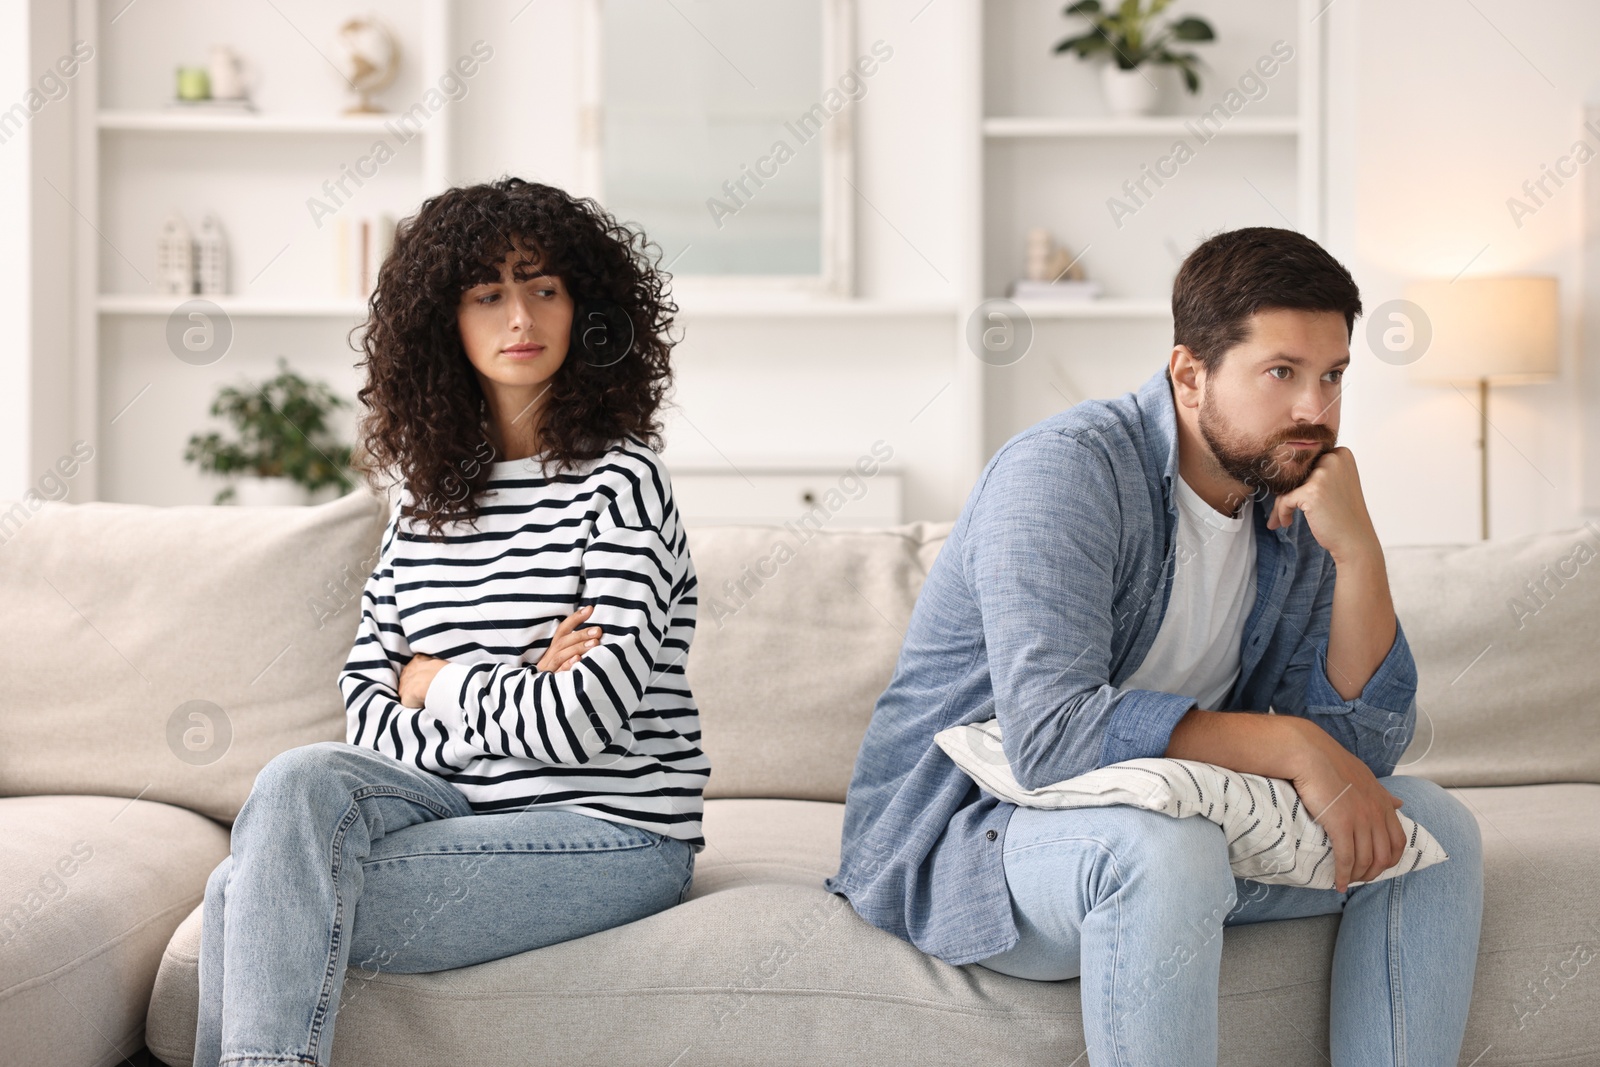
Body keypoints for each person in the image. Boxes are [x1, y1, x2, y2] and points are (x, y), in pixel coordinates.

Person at [825, 227, 1484, 1066]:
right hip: (980, 831)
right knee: (1165, 851)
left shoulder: (1293, 493)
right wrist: (1288, 742)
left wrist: (1359, 553)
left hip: (1186, 816)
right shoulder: (1062, 472)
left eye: (1333, 376)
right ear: (1189, 373)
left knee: (1432, 828)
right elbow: (1052, 737)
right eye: (1281, 372)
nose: (1315, 410)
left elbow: (1362, 750)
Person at [194, 177, 709, 1067]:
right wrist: (519, 687)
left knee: (246, 898)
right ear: (446, 321)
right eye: (488, 293)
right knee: (297, 780)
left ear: (585, 306)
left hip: (612, 830)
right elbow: (367, 713)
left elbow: (587, 722)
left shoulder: (620, 484)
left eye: (544, 286)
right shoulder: (423, 505)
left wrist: (441, 681)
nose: (521, 315)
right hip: (455, 813)